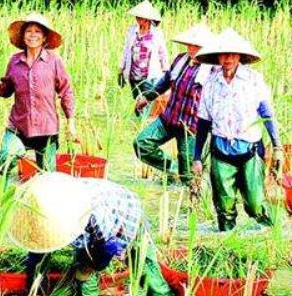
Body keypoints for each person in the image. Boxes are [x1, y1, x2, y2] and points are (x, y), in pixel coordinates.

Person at [9, 172, 175, 296]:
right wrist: (33, 291)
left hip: (125, 215)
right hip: (90, 227)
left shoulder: (94, 213)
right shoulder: (40, 214)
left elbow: (108, 247)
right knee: (83, 278)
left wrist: (91, 267)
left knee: (144, 268)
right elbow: (37, 255)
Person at [0, 13, 77, 181]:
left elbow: (66, 91)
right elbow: (6, 89)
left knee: (47, 178)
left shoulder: (54, 61)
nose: (32, 35)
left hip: (46, 129)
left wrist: (71, 122)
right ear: (23, 35)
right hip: (19, 126)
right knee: (6, 157)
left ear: (44, 37)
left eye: (37, 31)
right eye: (29, 31)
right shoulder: (15, 61)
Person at [192, 29, 283, 231]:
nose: (228, 59)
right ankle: (226, 242)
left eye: (233, 54)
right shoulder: (211, 83)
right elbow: (203, 122)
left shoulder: (253, 80)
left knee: (255, 205)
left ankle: (273, 233)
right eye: (224, 54)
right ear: (218, 57)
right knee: (224, 208)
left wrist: (277, 146)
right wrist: (197, 157)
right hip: (220, 151)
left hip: (249, 149)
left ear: (240, 56)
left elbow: (267, 114)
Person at [133, 23, 215, 185]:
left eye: (196, 46)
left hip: (191, 129)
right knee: (141, 144)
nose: (191, 49)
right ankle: (171, 167)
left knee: (188, 178)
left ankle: (191, 205)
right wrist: (146, 98)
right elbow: (164, 82)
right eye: (190, 45)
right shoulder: (180, 60)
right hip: (169, 119)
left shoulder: (212, 70)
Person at [118, 0, 169, 100]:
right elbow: (126, 50)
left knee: (148, 102)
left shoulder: (157, 34)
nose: (137, 19)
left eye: (140, 17)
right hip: (133, 75)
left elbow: (163, 54)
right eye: (137, 16)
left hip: (149, 76)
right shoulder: (132, 30)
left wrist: (166, 74)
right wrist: (120, 70)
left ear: (147, 18)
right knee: (136, 101)